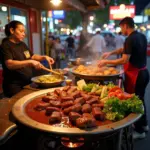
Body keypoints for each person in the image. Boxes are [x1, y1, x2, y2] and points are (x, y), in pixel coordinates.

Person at [98, 17, 149, 139]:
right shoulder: (140, 36)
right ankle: (144, 124)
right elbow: (124, 50)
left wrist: (106, 63)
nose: (121, 30)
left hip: (136, 75)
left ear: (126, 26)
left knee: (134, 102)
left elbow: (124, 59)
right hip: (144, 72)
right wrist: (110, 53)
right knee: (140, 100)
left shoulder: (130, 39)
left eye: (121, 27)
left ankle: (140, 131)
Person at [0, 20, 54, 97]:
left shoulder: (22, 44)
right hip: (14, 86)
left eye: (24, 32)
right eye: (21, 31)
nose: (24, 34)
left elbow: (32, 56)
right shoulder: (5, 45)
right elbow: (9, 64)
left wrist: (44, 57)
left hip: (27, 83)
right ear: (12, 30)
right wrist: (30, 62)